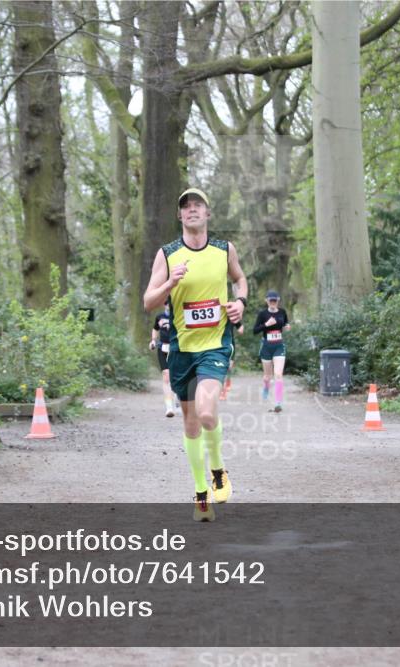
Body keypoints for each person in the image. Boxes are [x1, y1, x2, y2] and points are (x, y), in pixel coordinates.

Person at [143, 187, 248, 522]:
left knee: (205, 412)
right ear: (179, 216)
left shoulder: (224, 249)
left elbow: (240, 280)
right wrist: (169, 283)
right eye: (185, 206)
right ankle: (201, 493)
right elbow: (148, 301)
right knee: (190, 422)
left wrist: (240, 303)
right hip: (181, 350)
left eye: (198, 205)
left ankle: (218, 468)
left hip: (215, 345)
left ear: (207, 213)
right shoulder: (168, 254)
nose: (191, 210)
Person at [253, 290, 290, 412]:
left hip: (279, 346)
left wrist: (286, 327)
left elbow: (285, 324)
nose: (273, 302)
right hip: (266, 347)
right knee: (267, 377)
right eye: (271, 300)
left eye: (275, 300)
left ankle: (278, 402)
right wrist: (266, 324)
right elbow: (255, 331)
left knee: (278, 374)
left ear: (278, 301)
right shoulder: (262, 314)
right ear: (267, 301)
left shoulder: (282, 312)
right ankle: (266, 387)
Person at [149, 299, 177, 417]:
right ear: (164, 305)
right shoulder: (159, 317)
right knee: (166, 376)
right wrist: (153, 341)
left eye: (171, 305)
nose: (168, 306)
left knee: (175, 377)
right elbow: (155, 328)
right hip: (163, 348)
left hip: (176, 349)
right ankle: (169, 407)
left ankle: (178, 398)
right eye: (167, 304)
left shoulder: (179, 316)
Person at [219, 321, 245, 401]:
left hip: (229, 344)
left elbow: (240, 327)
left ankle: (228, 380)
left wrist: (240, 329)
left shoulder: (231, 315)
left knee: (229, 367)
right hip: (216, 345)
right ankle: (222, 392)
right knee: (221, 368)